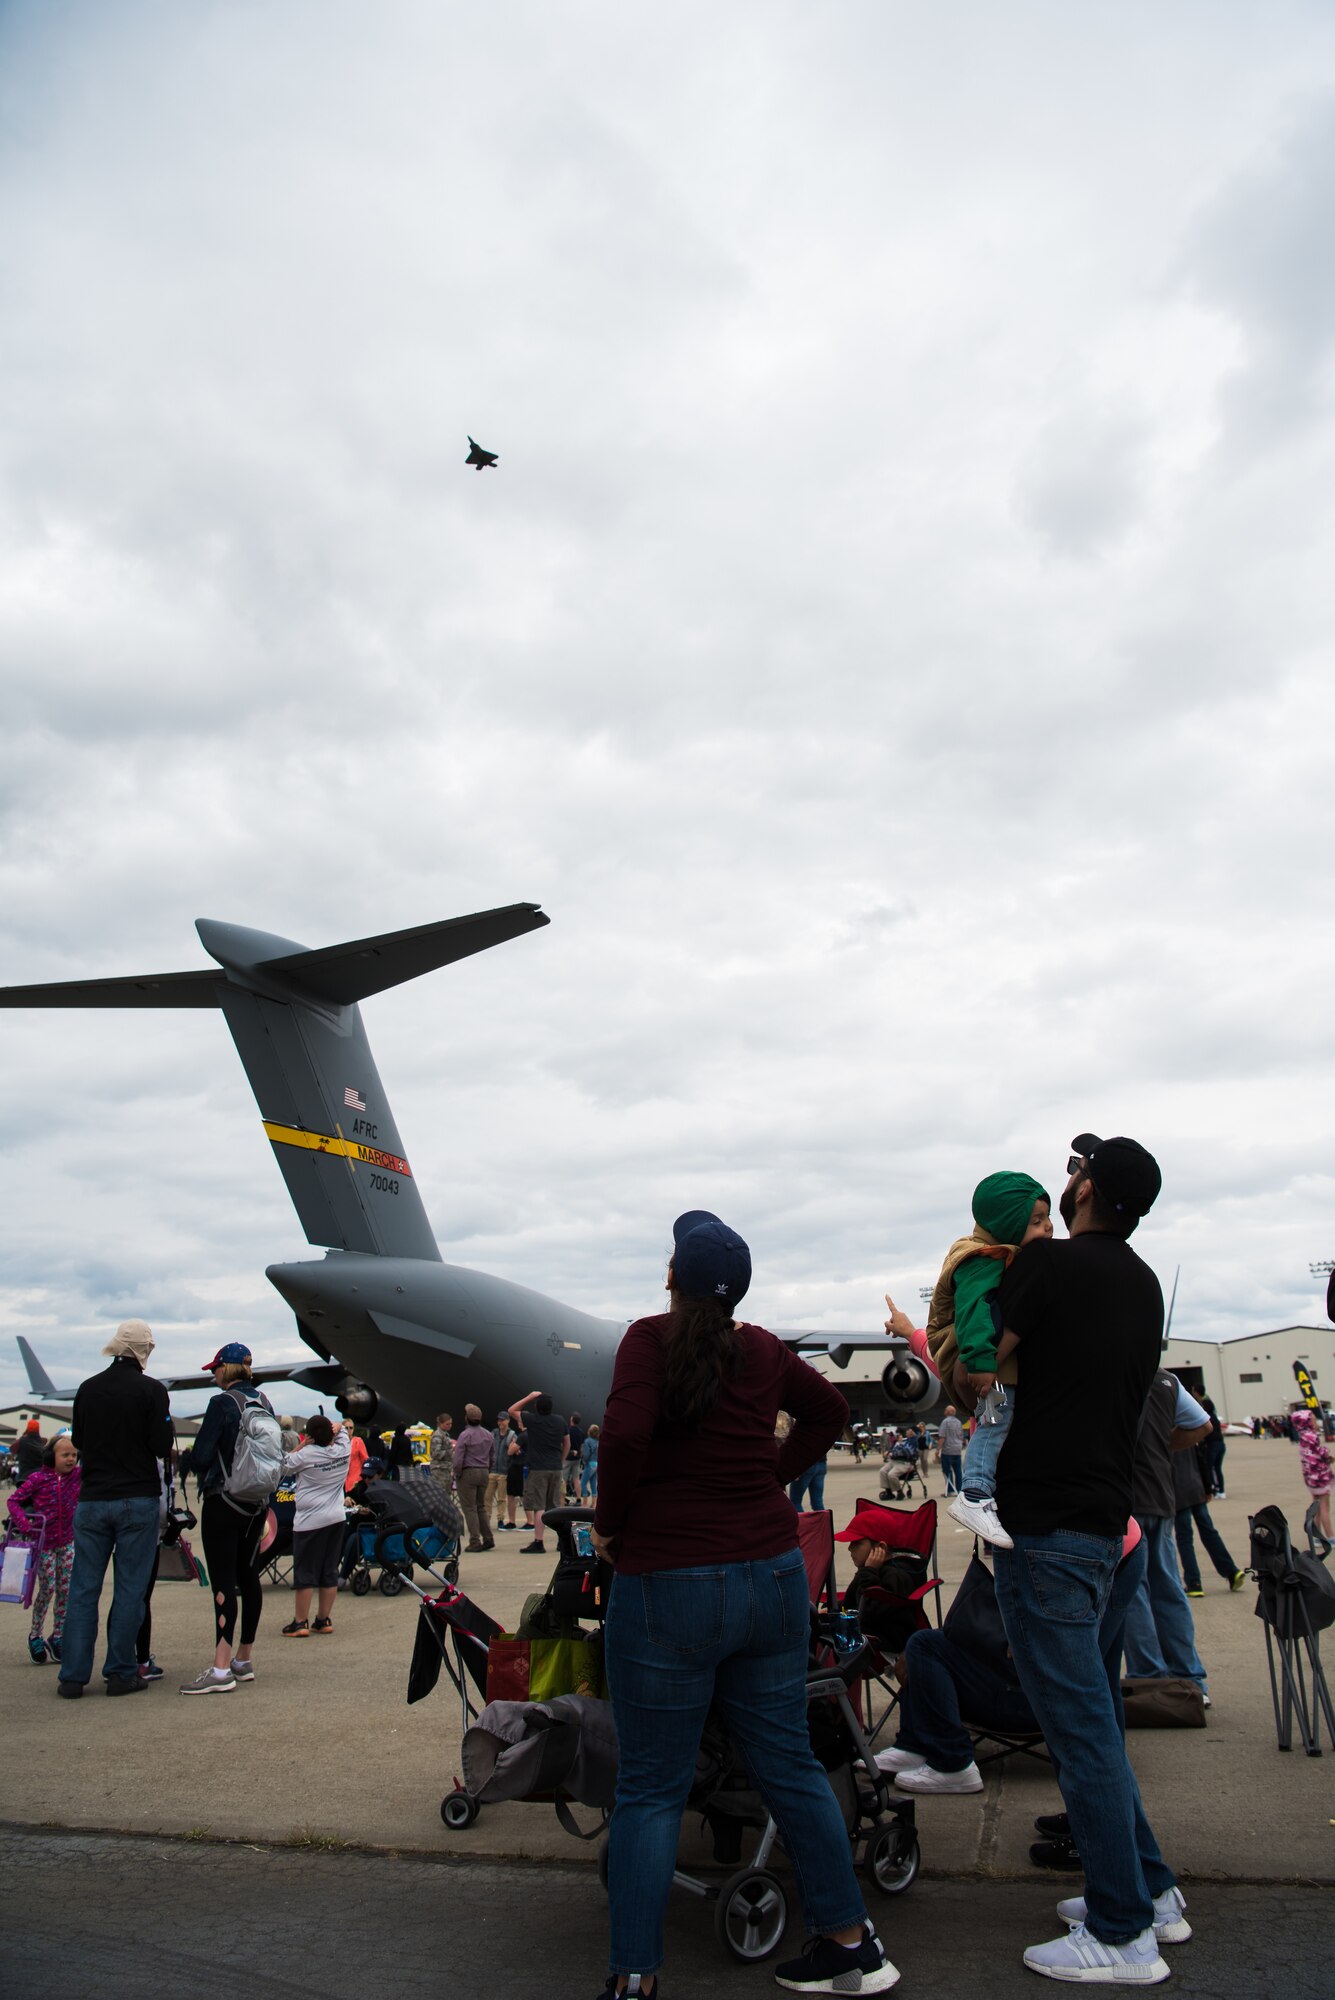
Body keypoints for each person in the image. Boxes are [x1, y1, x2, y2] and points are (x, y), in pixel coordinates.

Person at [591, 1210, 898, 1998]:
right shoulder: (760, 1346)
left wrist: (614, 1525)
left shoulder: (646, 1342)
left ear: (671, 1278)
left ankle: (635, 1976)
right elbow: (830, 1411)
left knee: (652, 1788)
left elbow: (622, 1439)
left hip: (667, 1585)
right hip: (769, 1580)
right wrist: (771, 1478)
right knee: (788, 1764)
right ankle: (848, 1943)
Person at [990, 1134, 1186, 1983]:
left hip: (1047, 1527)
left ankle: (1120, 1934)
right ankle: (1149, 1891)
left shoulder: (1050, 1268)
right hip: (1109, 1525)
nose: (1063, 1179)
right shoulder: (1143, 1286)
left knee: (1076, 1731)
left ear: (1088, 1190)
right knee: (1093, 1718)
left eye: (1075, 1169)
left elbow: (979, 1367)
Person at [923, 1170, 1052, 1549]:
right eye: (1036, 1220)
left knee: (997, 1419)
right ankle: (975, 1494)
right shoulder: (980, 1259)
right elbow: (974, 1313)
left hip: (983, 1357)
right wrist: (981, 1363)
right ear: (1007, 1223)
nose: (1047, 1228)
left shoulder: (994, 1251)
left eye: (1047, 1219)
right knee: (996, 1419)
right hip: (975, 1358)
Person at [58, 1320, 171, 1699]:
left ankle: (72, 1676)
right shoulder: (152, 1391)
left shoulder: (87, 1389)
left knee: (83, 1588)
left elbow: (79, 1440)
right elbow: (159, 1445)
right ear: (144, 1351)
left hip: (92, 1498)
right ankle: (120, 1672)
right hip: (136, 1497)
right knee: (130, 1589)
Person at [180, 1343, 275, 1695]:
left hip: (224, 1500)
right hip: (257, 1503)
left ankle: (220, 1668)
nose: (213, 1374)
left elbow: (204, 1456)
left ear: (228, 1369)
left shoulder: (221, 1403)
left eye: (215, 1368)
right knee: (249, 1577)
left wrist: (188, 1459)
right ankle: (243, 1658)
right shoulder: (264, 1402)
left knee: (223, 1581)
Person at [1120, 1371, 1212, 1701]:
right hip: (1161, 1495)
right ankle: (1190, 1678)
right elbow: (1203, 1425)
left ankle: (1148, 1677)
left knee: (1133, 1591)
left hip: (1125, 1499)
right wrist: (1163, 1444)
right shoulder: (1166, 1381)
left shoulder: (1110, 1369)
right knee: (1168, 1585)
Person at [9, 1434, 81, 1664]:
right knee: (48, 1587)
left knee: (65, 1590)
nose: (71, 1459)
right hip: (44, 1544)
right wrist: (25, 1525)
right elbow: (14, 1501)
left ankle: (58, 1635)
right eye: (65, 1455)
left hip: (67, 1542)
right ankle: (35, 1635)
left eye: (74, 1455)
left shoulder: (77, 1477)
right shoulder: (38, 1479)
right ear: (51, 1456)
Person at [280, 1414, 352, 1636]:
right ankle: (323, 1619)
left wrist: (302, 1444)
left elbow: (282, 1466)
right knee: (329, 1569)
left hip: (310, 1521)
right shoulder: (343, 1451)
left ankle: (300, 1622)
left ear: (309, 1435)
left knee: (305, 1572)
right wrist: (338, 1428)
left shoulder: (305, 1455)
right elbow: (343, 1435)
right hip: (336, 1517)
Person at [1173, 1426, 1245, 1598]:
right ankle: (1231, 1571)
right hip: (1196, 1487)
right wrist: (1207, 1487)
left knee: (1184, 1538)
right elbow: (1201, 1460)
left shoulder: (1163, 1432)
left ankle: (1194, 1582)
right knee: (1209, 1531)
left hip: (1177, 1492)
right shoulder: (1186, 1429)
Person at [508, 1391, 569, 1554]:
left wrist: (528, 1397)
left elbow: (512, 1410)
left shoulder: (532, 1420)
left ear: (536, 1406)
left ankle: (539, 1542)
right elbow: (567, 1443)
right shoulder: (560, 1420)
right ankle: (561, 1542)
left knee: (539, 1506)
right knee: (555, 1506)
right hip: (556, 1468)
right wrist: (561, 1460)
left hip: (538, 1468)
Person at [452, 1404, 496, 1552]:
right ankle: (488, 1538)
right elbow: (492, 1456)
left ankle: (475, 1540)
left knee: (469, 1508)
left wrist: (457, 1473)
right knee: (481, 1506)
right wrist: (487, 1469)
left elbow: (458, 1458)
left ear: (467, 1418)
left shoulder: (465, 1435)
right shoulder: (488, 1434)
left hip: (468, 1472)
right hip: (484, 1471)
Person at [1292, 1408, 1333, 1547]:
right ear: (1307, 1422)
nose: (1316, 1422)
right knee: (1325, 1507)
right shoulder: (1312, 1436)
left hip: (1310, 1478)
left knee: (1316, 1507)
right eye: (1313, 1420)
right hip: (1320, 1477)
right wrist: (1328, 1454)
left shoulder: (1302, 1437)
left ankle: (1316, 1537)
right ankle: (1330, 1536)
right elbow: (1321, 1454)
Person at [486, 1412, 513, 1530]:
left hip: (503, 1471)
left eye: (502, 1420)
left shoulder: (512, 1435)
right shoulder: (493, 1434)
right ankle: (486, 1519)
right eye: (499, 1420)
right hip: (492, 1470)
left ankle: (500, 1519)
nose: (500, 1422)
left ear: (508, 1421)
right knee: (487, 1497)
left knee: (502, 1498)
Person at [937, 1406, 964, 1496]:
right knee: (958, 1471)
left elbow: (942, 1437)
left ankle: (950, 1489)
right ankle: (959, 1490)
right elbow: (961, 1436)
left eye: (945, 1410)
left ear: (948, 1412)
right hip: (957, 1449)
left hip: (948, 1450)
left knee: (947, 1471)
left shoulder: (945, 1422)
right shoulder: (958, 1422)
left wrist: (937, 1450)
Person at [14, 1418, 46, 1484]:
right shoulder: (43, 1441)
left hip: (24, 1476)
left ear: (28, 1428)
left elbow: (12, 1449)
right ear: (38, 1429)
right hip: (40, 1475)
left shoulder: (22, 1440)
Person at [580, 1423, 600, 1500]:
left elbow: (586, 1454)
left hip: (589, 1464)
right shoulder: (598, 1442)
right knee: (593, 1483)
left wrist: (584, 1461)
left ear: (589, 1431)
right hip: (596, 1464)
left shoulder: (587, 1441)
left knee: (583, 1483)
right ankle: (594, 1504)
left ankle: (584, 1504)